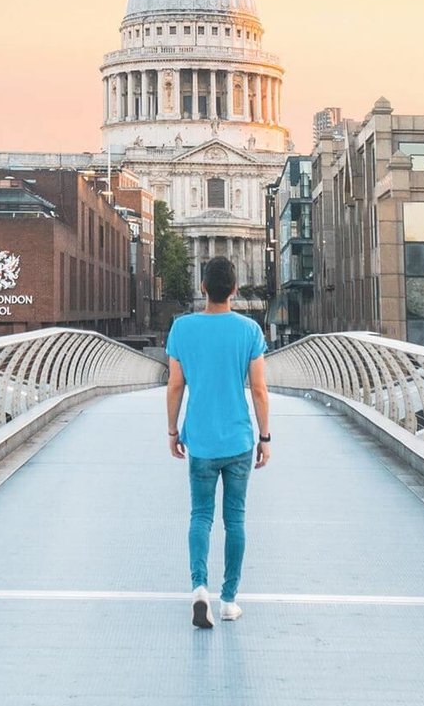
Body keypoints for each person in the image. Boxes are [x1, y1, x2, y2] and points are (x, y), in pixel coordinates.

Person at [165, 256, 271, 629]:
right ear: (236, 290)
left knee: (200, 516)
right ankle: (228, 600)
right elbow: (258, 389)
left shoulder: (182, 329)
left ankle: (198, 590)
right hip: (239, 439)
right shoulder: (249, 331)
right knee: (235, 520)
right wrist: (265, 436)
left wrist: (173, 432)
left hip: (201, 440)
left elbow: (176, 385)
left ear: (203, 287)